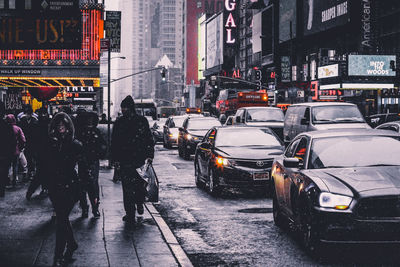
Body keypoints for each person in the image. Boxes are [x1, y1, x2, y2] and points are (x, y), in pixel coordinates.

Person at [111, 95, 154, 224]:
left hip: (136, 160)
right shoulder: (124, 122)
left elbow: (148, 139)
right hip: (129, 160)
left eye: (125, 107)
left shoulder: (139, 121)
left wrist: (150, 155)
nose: (123, 110)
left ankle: (138, 204)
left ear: (130, 108)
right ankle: (131, 212)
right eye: (122, 107)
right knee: (129, 188)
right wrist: (116, 159)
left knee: (137, 186)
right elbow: (115, 142)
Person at [47, 112, 83, 266]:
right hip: (55, 186)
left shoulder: (75, 145)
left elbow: (83, 168)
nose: (61, 128)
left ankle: (58, 255)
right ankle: (72, 244)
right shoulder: (51, 143)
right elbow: (45, 164)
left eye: (63, 125)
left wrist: (88, 193)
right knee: (62, 219)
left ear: (69, 127)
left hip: (70, 186)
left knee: (61, 220)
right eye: (58, 125)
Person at [76, 111, 106, 219]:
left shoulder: (96, 132)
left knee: (92, 186)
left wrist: (98, 153)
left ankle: (94, 208)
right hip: (83, 162)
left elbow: (103, 145)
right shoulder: (81, 132)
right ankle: (86, 208)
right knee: (83, 187)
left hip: (92, 161)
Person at [26, 108, 51, 200]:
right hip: (42, 153)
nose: (43, 115)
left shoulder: (46, 125)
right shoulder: (39, 125)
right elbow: (32, 140)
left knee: (41, 173)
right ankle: (38, 190)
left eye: (44, 113)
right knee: (41, 173)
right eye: (42, 114)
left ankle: (38, 190)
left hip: (44, 152)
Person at [0, 101, 17, 197]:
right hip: (5, 155)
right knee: (3, 173)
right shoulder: (7, 126)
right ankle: (1, 190)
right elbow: (12, 141)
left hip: (4, 155)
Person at [18, 105, 38, 180]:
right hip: (24, 141)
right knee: (25, 157)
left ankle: (31, 172)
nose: (27, 115)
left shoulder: (34, 120)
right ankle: (26, 172)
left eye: (28, 114)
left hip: (33, 142)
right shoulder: (22, 120)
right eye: (26, 113)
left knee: (31, 157)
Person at [5, 114, 26, 187]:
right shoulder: (17, 128)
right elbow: (23, 140)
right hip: (15, 150)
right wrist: (21, 148)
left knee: (7, 166)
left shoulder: (3, 128)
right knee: (15, 165)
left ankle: (7, 180)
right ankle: (14, 180)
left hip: (6, 150)